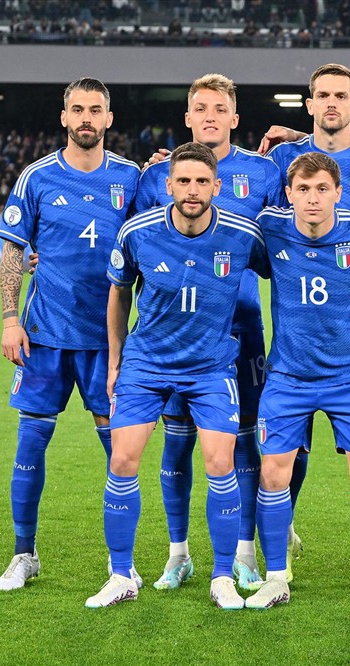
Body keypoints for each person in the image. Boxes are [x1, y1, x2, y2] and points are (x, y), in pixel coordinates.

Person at [85, 142, 269, 610]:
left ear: (217, 186)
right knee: (122, 460)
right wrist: (115, 360)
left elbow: (288, 269)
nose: (192, 190)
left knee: (220, 463)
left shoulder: (243, 234)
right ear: (168, 185)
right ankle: (121, 574)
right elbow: (118, 293)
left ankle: (222, 577)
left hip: (211, 367)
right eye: (183, 181)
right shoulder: (138, 232)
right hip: (147, 364)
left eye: (201, 181)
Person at [132, 74, 283, 593]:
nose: (210, 116)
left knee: (242, 442)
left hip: (242, 327)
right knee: (177, 442)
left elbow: (289, 235)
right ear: (188, 117)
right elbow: (137, 247)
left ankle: (244, 552)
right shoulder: (157, 175)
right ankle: (178, 554)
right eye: (201, 108)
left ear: (235, 118)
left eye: (220, 108)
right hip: (175, 333)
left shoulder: (264, 172)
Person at [260, 63, 350, 588]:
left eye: (340, 96)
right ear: (309, 104)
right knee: (289, 442)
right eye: (322, 95)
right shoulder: (281, 159)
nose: (331, 103)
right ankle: (284, 530)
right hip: (298, 328)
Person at [0, 77, 140, 592]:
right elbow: (13, 251)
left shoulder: (131, 177)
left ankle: (122, 563)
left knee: (119, 450)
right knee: (30, 443)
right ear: (64, 117)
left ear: (108, 118)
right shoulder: (36, 177)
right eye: (77, 109)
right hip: (44, 336)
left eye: (95, 110)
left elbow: (154, 237)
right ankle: (24, 553)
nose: (86, 118)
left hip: (107, 340)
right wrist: (10, 319)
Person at [243, 152, 350, 612]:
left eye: (322, 189)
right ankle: (276, 578)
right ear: (288, 194)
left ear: (338, 192)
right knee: (273, 473)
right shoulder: (269, 227)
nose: (313, 198)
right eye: (303, 189)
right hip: (287, 375)